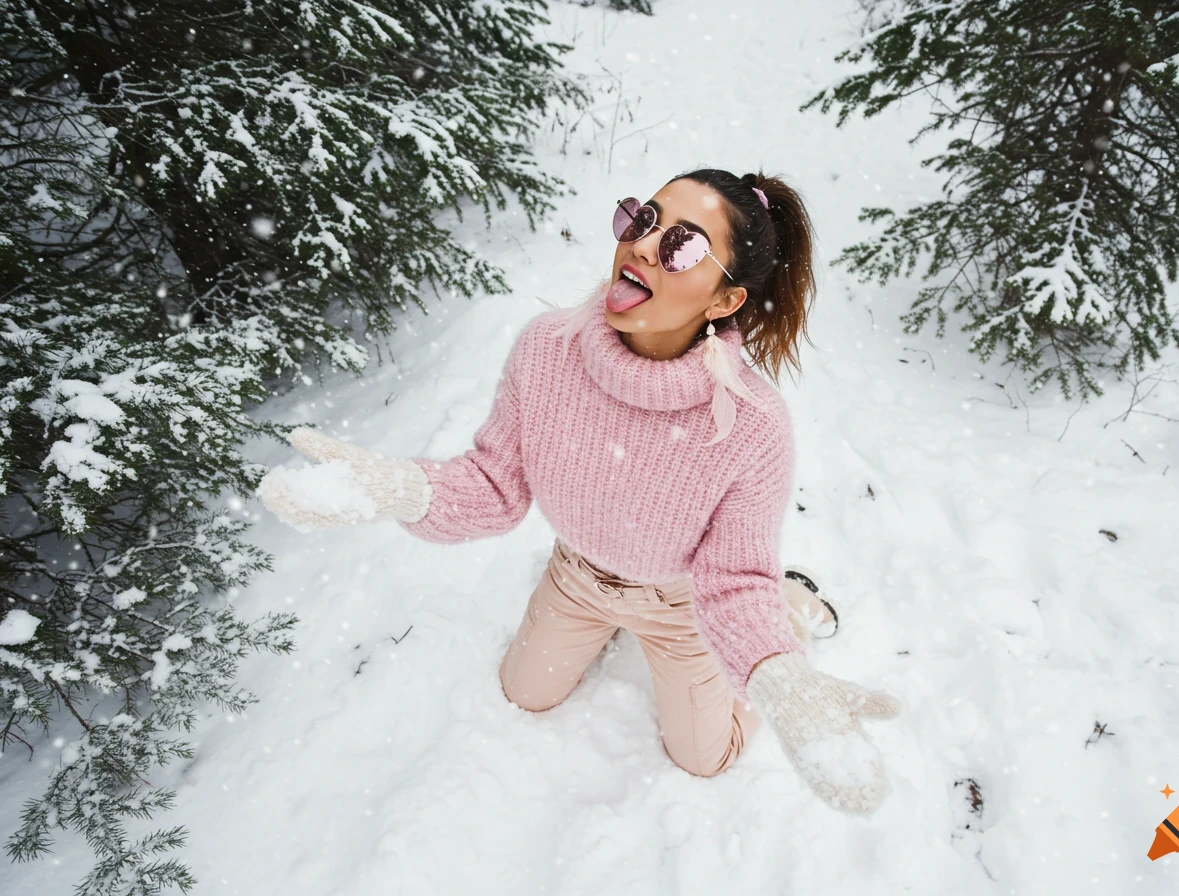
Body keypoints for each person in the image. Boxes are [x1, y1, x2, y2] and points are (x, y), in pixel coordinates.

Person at [258, 169, 903, 814]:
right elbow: (494, 483)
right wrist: (399, 489)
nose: (644, 245)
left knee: (703, 760)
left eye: (680, 245)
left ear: (723, 302)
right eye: (641, 220)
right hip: (577, 576)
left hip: (681, 604)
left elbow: (731, 578)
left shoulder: (750, 427)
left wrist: (780, 678)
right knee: (522, 695)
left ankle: (791, 607)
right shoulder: (548, 351)